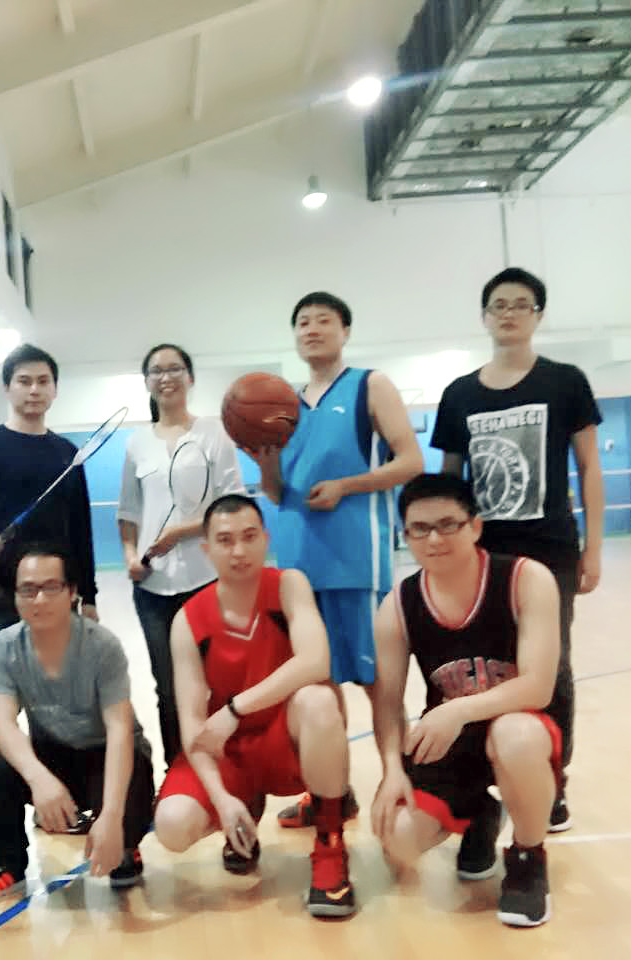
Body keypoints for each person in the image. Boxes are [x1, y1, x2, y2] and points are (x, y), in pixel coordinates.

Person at [432, 266, 603, 832]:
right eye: (499, 305)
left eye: (521, 304)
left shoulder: (566, 382)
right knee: (481, 667)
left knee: (551, 665)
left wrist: (594, 549)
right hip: (481, 555)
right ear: (485, 317)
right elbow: (450, 481)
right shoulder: (460, 394)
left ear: (538, 315)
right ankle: (482, 778)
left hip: (549, 550)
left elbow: (589, 468)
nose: (509, 313)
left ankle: (552, 781)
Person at [244, 292, 424, 830]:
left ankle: (401, 782)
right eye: (303, 322)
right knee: (316, 687)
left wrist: (348, 485)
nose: (312, 329)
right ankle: (333, 794)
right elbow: (277, 493)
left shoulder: (371, 385)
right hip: (299, 567)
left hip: (357, 561)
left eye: (324, 320)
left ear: (345, 331)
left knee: (378, 683)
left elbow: (411, 461)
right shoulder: (282, 403)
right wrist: (266, 465)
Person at [153, 494, 357, 919]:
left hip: (284, 739)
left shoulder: (289, 586)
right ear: (207, 550)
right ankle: (243, 808)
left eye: (249, 537)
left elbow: (316, 661)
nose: (239, 551)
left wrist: (234, 710)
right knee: (172, 825)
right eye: (225, 541)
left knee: (320, 699)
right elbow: (192, 726)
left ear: (266, 538)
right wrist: (222, 800)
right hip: (231, 753)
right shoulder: (188, 621)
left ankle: (330, 847)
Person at [370, 474, 560, 927]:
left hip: (519, 728)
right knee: (397, 838)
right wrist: (392, 770)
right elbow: (387, 703)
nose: (434, 539)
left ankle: (528, 857)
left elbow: (538, 686)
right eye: (420, 529)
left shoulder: (525, 579)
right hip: (449, 743)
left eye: (447, 525)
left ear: (475, 526)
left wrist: (458, 709)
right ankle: (480, 815)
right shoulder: (398, 604)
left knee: (513, 735)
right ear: (406, 536)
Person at [0, 544, 155, 910]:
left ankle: (126, 847)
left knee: (132, 785)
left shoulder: (102, 646)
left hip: (106, 754)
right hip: (53, 752)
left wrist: (111, 817)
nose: (40, 599)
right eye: (28, 589)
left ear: (72, 592)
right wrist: (39, 780)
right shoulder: (3, 647)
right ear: (15, 595)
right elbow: (3, 724)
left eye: (51, 587)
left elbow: (120, 731)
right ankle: (7, 866)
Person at [118, 342, 245, 765]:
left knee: (219, 681)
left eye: (174, 369)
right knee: (168, 688)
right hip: (153, 589)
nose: (166, 377)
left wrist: (181, 531)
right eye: (156, 371)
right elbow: (128, 511)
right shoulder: (137, 443)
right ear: (147, 383)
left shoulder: (215, 434)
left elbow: (233, 504)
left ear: (190, 378)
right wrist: (131, 555)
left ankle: (226, 767)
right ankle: (180, 772)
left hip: (207, 581)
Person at [0, 343, 99, 643]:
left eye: (43, 381)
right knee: (5, 673)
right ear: (7, 389)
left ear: (55, 390)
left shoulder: (68, 453)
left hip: (58, 593)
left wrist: (89, 596)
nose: (34, 390)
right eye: (24, 381)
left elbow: (80, 529)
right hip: (1, 594)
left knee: (59, 673)